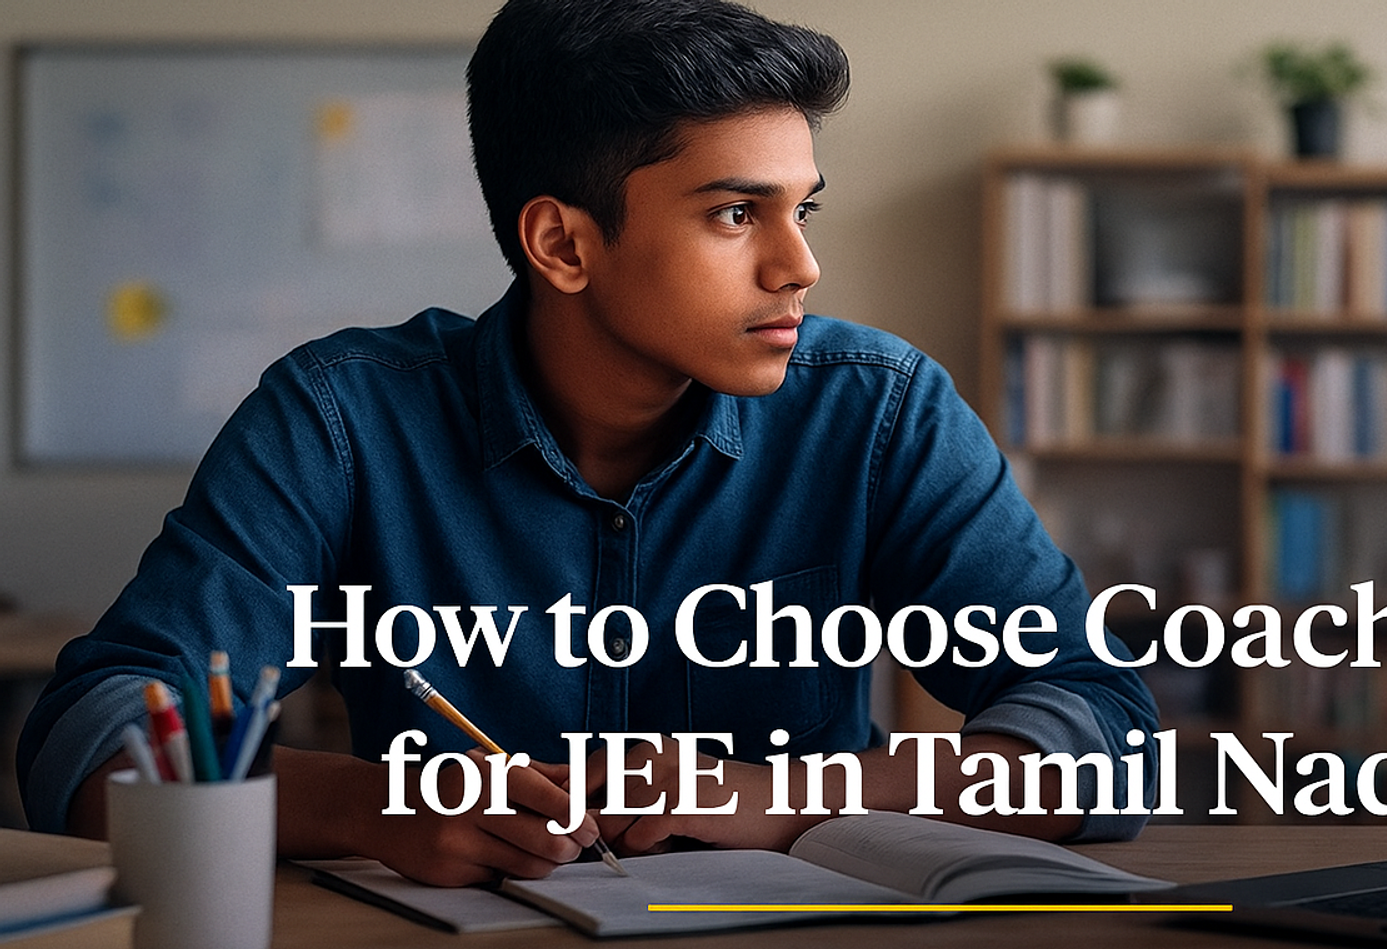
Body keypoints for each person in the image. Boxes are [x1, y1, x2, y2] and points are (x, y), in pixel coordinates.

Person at [18, 0, 1157, 886]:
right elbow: (90, 735)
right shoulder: (342, 419)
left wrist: (786, 794)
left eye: (799, 209)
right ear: (563, 244)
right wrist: (375, 806)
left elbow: (1102, 725)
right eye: (732, 214)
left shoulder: (878, 411)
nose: (798, 265)